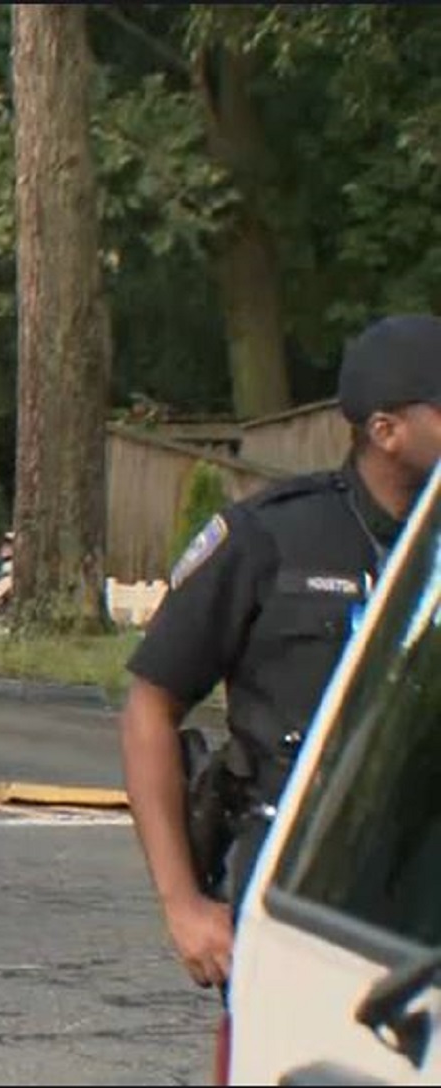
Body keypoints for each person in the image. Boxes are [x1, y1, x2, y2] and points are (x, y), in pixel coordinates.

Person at [119, 313, 441, 994]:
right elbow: (149, 708)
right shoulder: (271, 540)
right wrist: (183, 907)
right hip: (298, 895)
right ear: (387, 431)